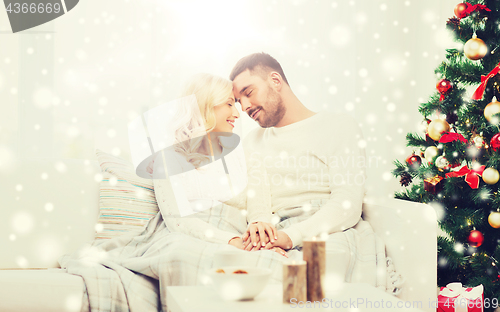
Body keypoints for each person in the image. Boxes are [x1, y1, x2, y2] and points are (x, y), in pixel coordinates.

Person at [229, 52, 366, 252]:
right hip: (273, 236)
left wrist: (290, 237)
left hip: (326, 231)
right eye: (239, 101)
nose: (245, 107)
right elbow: (253, 201)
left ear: (275, 81)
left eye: (248, 93)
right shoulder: (251, 142)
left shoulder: (339, 127)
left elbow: (348, 203)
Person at [147, 73, 288, 257]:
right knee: (180, 254)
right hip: (192, 241)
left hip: (244, 241)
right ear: (204, 106)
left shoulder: (246, 154)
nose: (237, 114)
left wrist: (259, 233)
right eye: (229, 104)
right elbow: (178, 222)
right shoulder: (167, 160)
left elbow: (260, 206)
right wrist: (232, 242)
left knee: (272, 260)